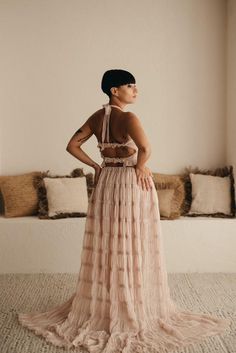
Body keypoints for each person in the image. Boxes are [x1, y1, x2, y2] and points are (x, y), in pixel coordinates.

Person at [18, 69, 232, 352]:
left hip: (107, 181)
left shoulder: (97, 117)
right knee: (133, 240)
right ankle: (132, 299)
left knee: (109, 241)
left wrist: (95, 166)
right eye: (130, 86)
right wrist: (141, 166)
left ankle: (109, 301)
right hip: (131, 182)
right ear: (114, 91)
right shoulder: (129, 118)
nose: (136, 91)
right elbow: (145, 148)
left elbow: (72, 145)